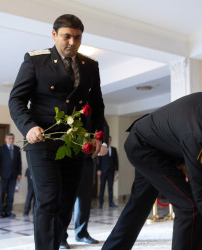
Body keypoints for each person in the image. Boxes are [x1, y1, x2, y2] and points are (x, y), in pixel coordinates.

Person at [103, 94, 202, 250]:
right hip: (145, 148)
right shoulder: (201, 133)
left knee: (137, 208)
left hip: (168, 147)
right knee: (190, 205)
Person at [9, 14, 105, 250]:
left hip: (75, 143)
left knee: (66, 201)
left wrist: (97, 136)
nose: (72, 42)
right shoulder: (35, 61)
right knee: (49, 199)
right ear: (54, 35)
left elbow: (98, 105)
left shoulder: (90, 66)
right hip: (42, 140)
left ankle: (56, 241)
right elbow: (16, 100)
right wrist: (29, 127)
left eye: (77, 37)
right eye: (67, 36)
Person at [61, 119, 109, 249]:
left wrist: (104, 143)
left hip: (88, 157)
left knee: (85, 196)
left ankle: (81, 233)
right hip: (68, 155)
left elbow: (102, 124)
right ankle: (61, 237)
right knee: (66, 197)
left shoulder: (91, 103)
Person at [0, 133, 22, 218]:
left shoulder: (17, 149)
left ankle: (8, 211)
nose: (11, 140)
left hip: (13, 176)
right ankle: (0, 212)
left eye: (12, 138)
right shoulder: (1, 148)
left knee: (10, 195)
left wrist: (19, 173)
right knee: (1, 195)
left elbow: (19, 163)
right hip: (2, 176)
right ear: (6, 139)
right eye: (9, 138)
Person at [97, 136, 119, 208]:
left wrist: (116, 169)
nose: (109, 141)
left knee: (110, 187)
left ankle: (111, 203)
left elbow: (116, 160)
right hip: (103, 171)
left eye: (110, 140)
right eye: (108, 140)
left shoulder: (114, 149)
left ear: (111, 141)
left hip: (111, 171)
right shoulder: (102, 148)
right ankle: (100, 203)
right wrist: (98, 169)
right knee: (102, 187)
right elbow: (98, 160)